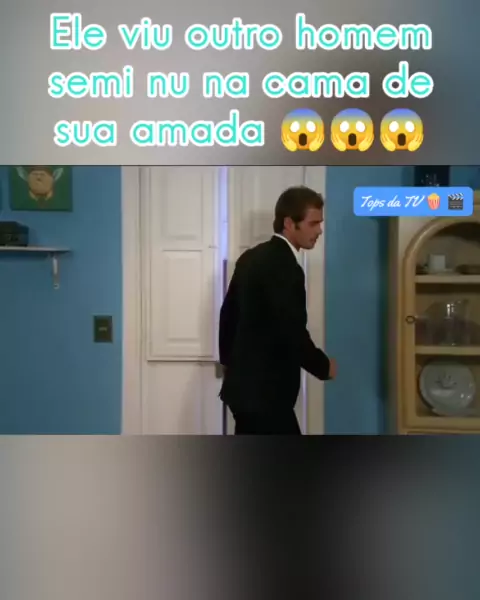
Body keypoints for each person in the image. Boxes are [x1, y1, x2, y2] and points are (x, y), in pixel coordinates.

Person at [218, 185, 336, 435]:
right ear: (289, 223)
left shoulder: (251, 257)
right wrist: (323, 366)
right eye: (313, 223)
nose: (319, 230)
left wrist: (231, 365)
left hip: (242, 392)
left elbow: (227, 317)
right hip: (266, 397)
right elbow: (291, 331)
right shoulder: (286, 267)